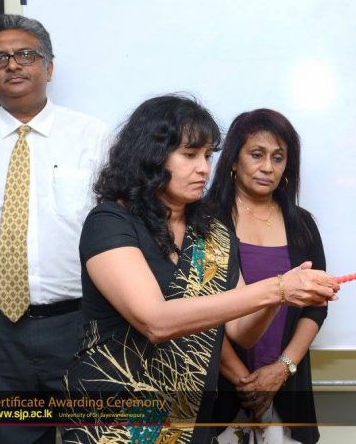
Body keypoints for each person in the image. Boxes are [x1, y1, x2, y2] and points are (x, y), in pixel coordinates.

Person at [62, 95, 338, 444]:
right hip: (115, 420)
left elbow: (241, 332)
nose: (204, 168)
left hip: (189, 419)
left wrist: (280, 297)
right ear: (151, 154)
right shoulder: (110, 222)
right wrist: (278, 288)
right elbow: (155, 322)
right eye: (190, 155)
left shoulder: (212, 231)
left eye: (207, 155)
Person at [0, 14, 110, 444]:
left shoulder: (94, 136)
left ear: (48, 67)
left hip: (79, 326)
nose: (12, 64)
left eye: (25, 55)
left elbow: (116, 235)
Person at [206, 109, 326, 444]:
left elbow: (317, 306)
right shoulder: (204, 220)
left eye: (278, 157)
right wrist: (246, 383)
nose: (268, 167)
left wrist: (282, 368)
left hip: (288, 386)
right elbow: (200, 313)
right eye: (257, 154)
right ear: (233, 160)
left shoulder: (302, 224)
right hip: (222, 387)